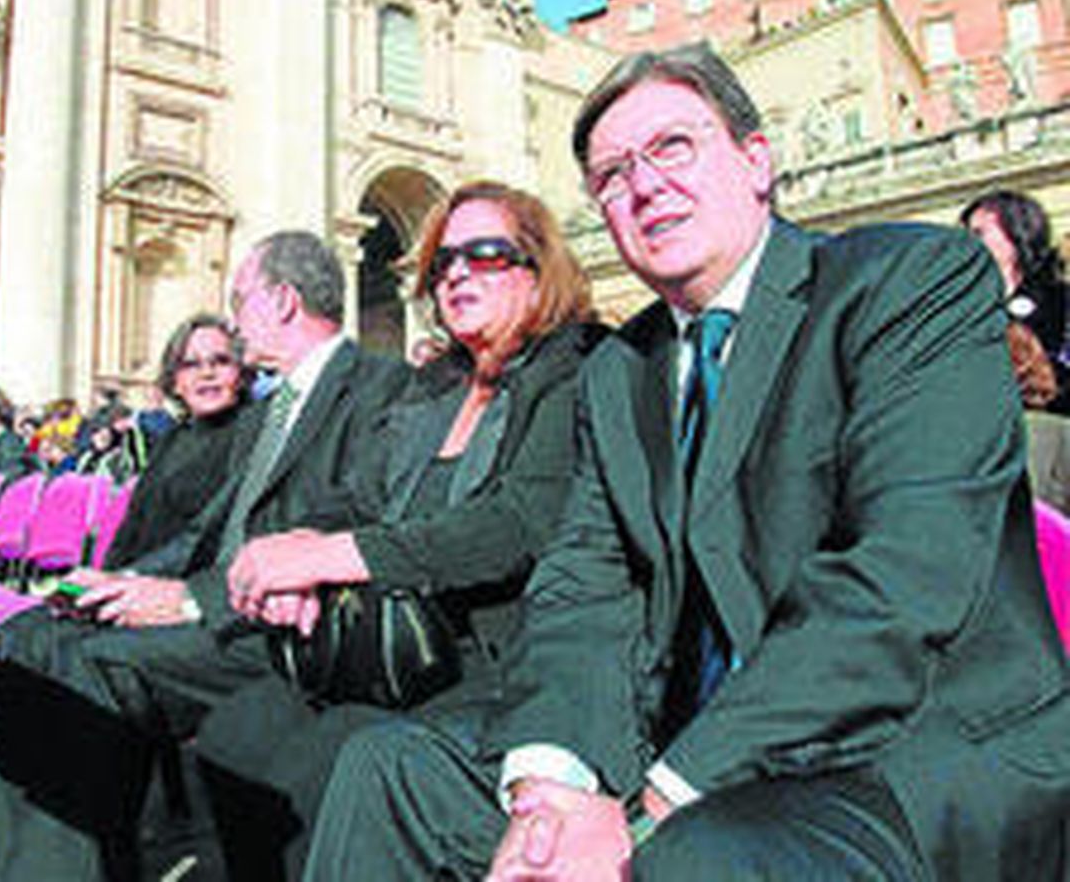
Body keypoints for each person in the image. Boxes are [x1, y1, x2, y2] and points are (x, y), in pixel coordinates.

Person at [304, 44, 1070, 881]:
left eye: (673, 145)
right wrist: (549, 792)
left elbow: (904, 575)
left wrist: (654, 805)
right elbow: (582, 586)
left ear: (756, 161)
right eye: (611, 174)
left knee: (690, 856)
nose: (644, 184)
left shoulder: (907, 281)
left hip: (901, 754)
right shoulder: (617, 369)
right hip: (673, 736)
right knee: (390, 771)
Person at [0, 230, 408, 882]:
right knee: (31, 636)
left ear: (282, 300)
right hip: (215, 602)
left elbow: (350, 515)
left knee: (82, 665)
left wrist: (189, 598)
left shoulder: (382, 385)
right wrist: (124, 578)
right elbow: (209, 528)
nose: (235, 325)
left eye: (239, 302)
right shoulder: (274, 409)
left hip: (273, 624)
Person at [193, 180, 604, 880]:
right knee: (236, 734)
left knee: (321, 767)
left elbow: (513, 526)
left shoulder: (574, 368)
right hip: (391, 641)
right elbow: (360, 496)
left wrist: (335, 557)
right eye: (442, 263)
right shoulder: (437, 382)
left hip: (498, 659)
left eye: (485, 254)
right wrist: (296, 555)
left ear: (539, 269)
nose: (457, 274)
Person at [98, 312, 248, 569]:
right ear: (175, 382)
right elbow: (132, 526)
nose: (207, 373)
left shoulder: (250, 437)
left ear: (241, 374)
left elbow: (206, 539)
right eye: (191, 364)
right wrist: (106, 577)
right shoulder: (171, 440)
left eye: (221, 361)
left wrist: (132, 577)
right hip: (138, 578)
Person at [962, 188, 1070, 413]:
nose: (968, 244)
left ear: (1016, 232)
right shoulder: (966, 309)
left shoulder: (1059, 299)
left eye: (979, 233)